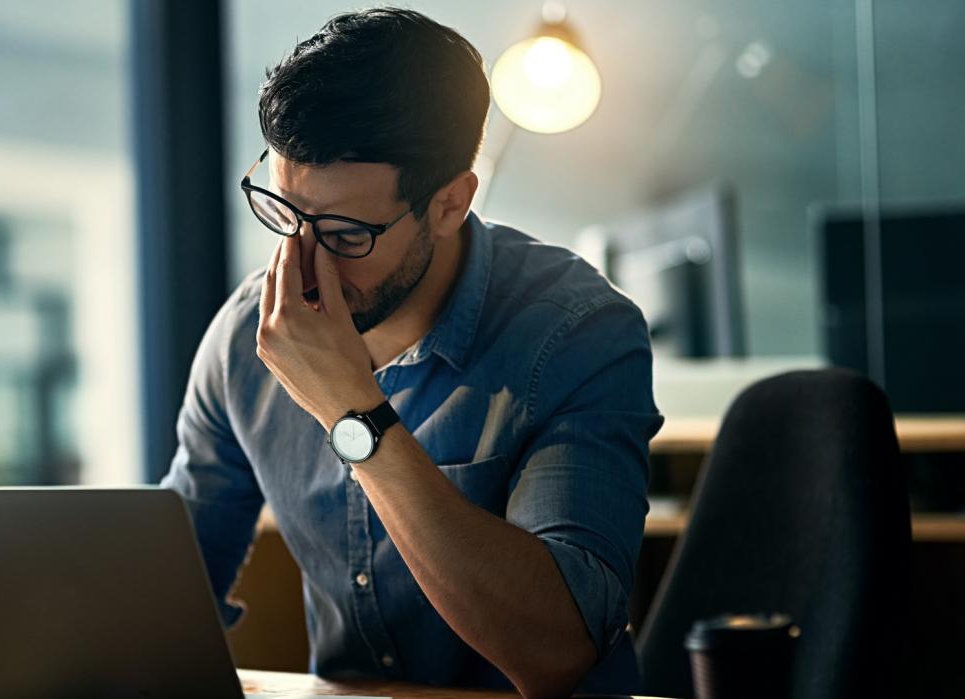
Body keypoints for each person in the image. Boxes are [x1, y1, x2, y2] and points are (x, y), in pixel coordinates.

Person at [161, 7, 663, 697]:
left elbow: (557, 649)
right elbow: (165, 590)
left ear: (451, 203)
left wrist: (351, 411)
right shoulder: (249, 335)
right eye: (285, 214)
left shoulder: (577, 333)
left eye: (344, 233)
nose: (303, 264)